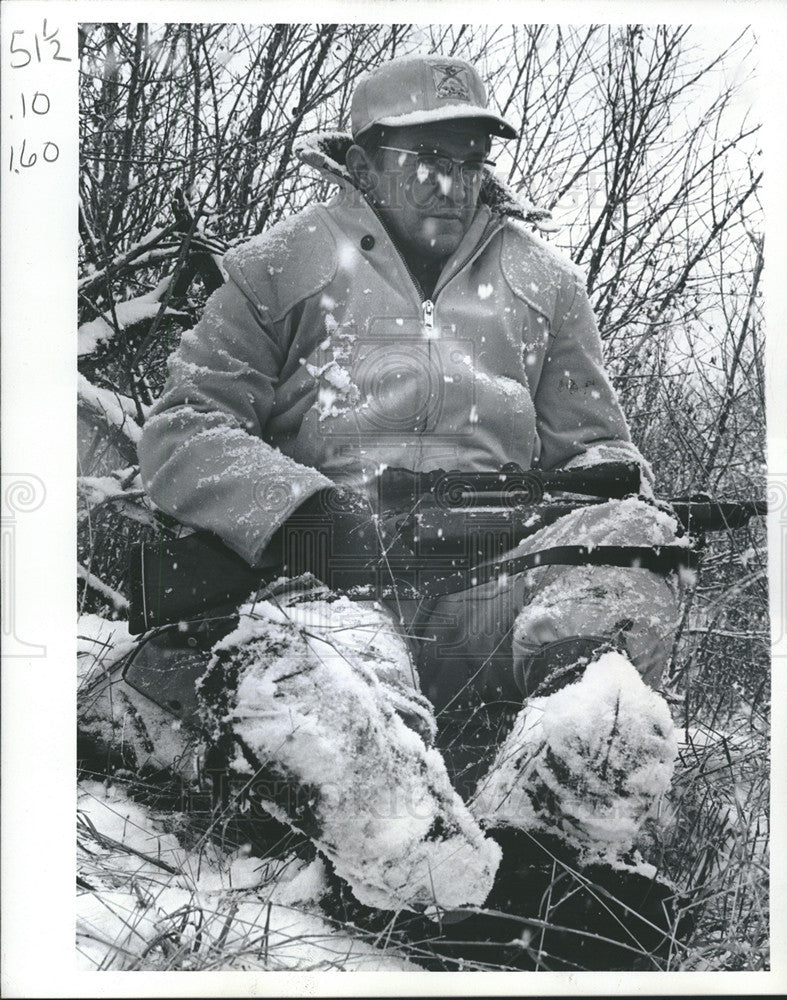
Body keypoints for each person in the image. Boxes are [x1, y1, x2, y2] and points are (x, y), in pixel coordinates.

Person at [82, 55, 683, 913]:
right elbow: (185, 429)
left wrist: (604, 500)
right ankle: (412, 880)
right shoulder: (278, 265)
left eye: (470, 160)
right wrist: (300, 511)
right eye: (423, 158)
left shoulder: (546, 283)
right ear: (359, 161)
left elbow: (597, 453)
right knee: (334, 670)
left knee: (627, 545)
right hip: (325, 582)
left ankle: (552, 845)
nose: (451, 183)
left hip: (489, 591)